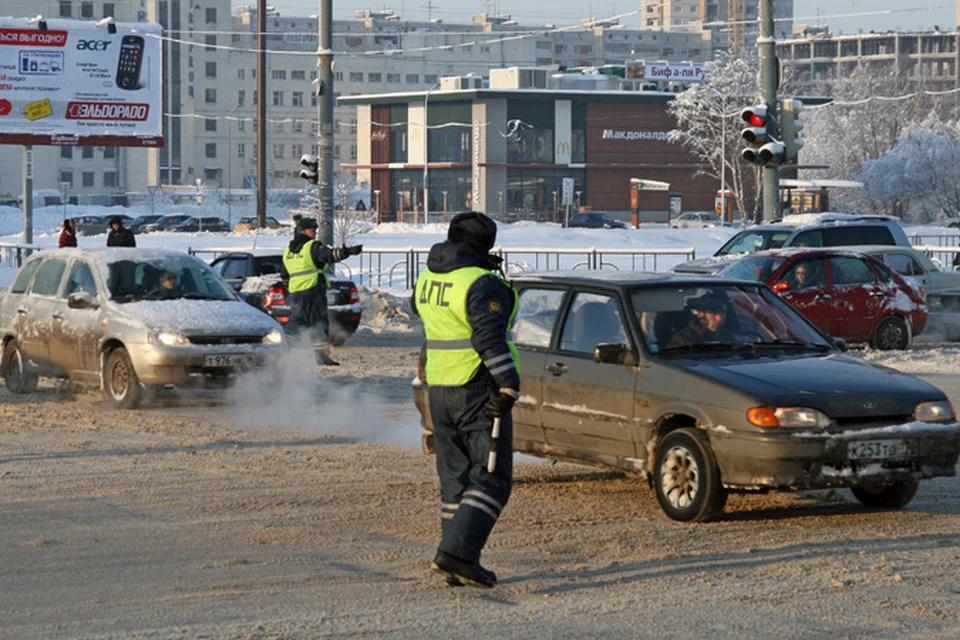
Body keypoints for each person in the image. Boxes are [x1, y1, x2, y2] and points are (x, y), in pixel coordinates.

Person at [412, 212, 520, 589]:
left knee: (455, 479)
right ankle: (457, 555)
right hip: (476, 387)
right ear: (486, 246)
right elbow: (489, 338)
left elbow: (430, 321)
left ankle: (453, 557)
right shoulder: (481, 282)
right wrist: (508, 385)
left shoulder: (429, 276)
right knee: (492, 478)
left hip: (439, 388)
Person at [281, 217, 362, 365]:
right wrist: (348, 251)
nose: (315, 232)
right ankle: (321, 356)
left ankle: (283, 352)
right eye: (312, 229)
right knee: (319, 322)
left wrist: (291, 288)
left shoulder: (288, 251)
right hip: (313, 290)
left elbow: (284, 275)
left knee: (296, 322)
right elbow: (328, 255)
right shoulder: (312, 246)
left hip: (296, 292)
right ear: (304, 231)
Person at [667, 293, 733, 348]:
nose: (720, 318)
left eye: (723, 312)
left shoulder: (729, 337)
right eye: (713, 313)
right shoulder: (684, 339)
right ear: (700, 314)